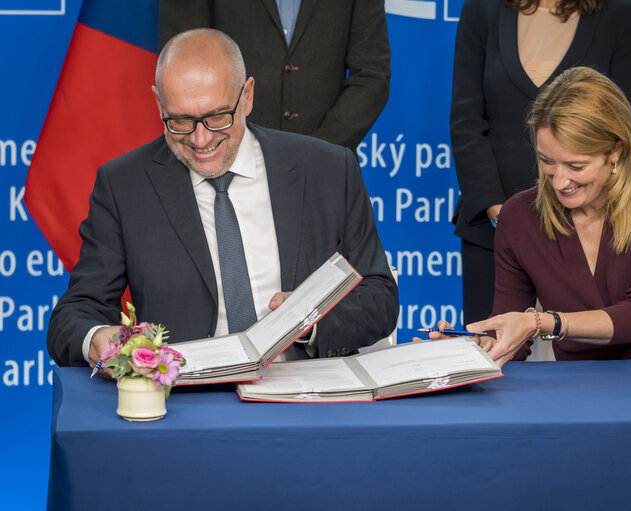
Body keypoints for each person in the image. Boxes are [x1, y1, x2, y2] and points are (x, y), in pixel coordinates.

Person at [47, 28, 398, 373]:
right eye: (181, 121)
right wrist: (97, 338)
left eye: (217, 117)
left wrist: (310, 322)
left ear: (247, 96)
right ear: (159, 104)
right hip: (184, 407)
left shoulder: (327, 169)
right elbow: (74, 314)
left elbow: (379, 297)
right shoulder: (125, 186)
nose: (201, 140)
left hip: (307, 401)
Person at [430, 66, 631, 365]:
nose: (559, 182)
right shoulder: (519, 216)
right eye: (547, 161)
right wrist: (472, 349)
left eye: (576, 166)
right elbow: (513, 345)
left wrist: (542, 322)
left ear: (616, 152)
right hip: (576, 392)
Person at [450, 0, 631, 325]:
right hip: (493, 232)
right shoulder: (482, 7)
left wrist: (581, 220)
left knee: (590, 367)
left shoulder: (623, 10)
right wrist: (504, 218)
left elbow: (625, 126)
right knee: (495, 356)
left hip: (590, 234)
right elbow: (465, 122)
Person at [158, 0, 391, 152]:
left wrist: (317, 151)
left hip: (325, 179)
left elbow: (371, 77)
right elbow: (185, 69)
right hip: (225, 174)